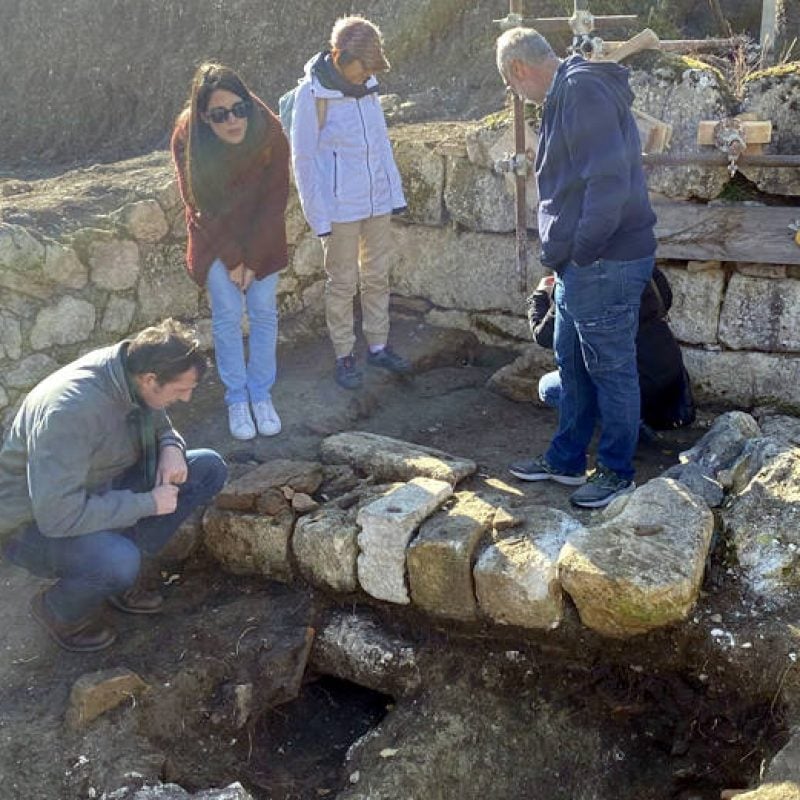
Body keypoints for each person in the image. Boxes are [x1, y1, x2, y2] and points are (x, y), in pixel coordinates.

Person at [496, 27, 658, 508]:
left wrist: (583, 251)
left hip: (603, 260)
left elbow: (607, 183)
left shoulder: (582, 90)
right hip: (581, 263)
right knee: (571, 362)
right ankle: (566, 460)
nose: (516, 94)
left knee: (610, 369)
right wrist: (566, 258)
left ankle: (615, 473)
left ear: (518, 70)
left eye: (511, 86)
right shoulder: (570, 89)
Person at [0, 319, 228, 652]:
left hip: (98, 484)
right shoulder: (70, 412)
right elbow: (57, 516)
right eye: (181, 390)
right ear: (151, 379)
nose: (188, 398)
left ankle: (117, 579)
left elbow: (157, 417)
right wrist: (148, 503)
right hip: (31, 525)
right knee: (117, 560)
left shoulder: (131, 370)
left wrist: (171, 447)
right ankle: (57, 609)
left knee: (207, 467)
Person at [289, 15, 411, 390]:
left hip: (375, 202)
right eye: (363, 66)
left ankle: (378, 346)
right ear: (339, 55)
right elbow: (303, 160)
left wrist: (394, 195)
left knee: (377, 277)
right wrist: (318, 219)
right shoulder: (310, 96)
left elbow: (381, 145)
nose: (366, 74)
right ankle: (344, 355)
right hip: (339, 208)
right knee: (342, 282)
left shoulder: (368, 88)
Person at [172, 63, 290, 440]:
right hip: (214, 238)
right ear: (205, 117)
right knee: (226, 315)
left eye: (239, 109)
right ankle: (236, 398)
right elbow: (198, 203)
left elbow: (275, 200)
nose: (233, 121)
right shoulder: (187, 136)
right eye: (220, 115)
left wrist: (252, 259)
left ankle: (260, 393)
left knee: (263, 312)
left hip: (263, 235)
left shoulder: (269, 129)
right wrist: (233, 259)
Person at [529, 267, 695, 434]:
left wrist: (540, 295)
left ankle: (627, 431)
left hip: (631, 385)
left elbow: (545, 336)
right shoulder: (641, 264)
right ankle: (635, 424)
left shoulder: (579, 279)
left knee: (547, 388)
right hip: (668, 375)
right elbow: (665, 300)